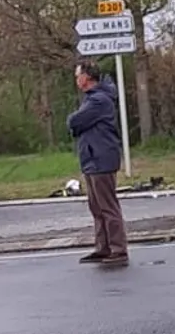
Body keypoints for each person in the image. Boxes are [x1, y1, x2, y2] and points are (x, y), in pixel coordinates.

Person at [67, 61, 128, 267]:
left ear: (87, 77)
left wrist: (74, 123)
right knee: (96, 207)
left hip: (101, 158)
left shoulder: (99, 100)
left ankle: (118, 248)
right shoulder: (91, 99)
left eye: (78, 75)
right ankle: (103, 247)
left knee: (107, 206)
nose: (76, 80)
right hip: (92, 159)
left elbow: (75, 122)